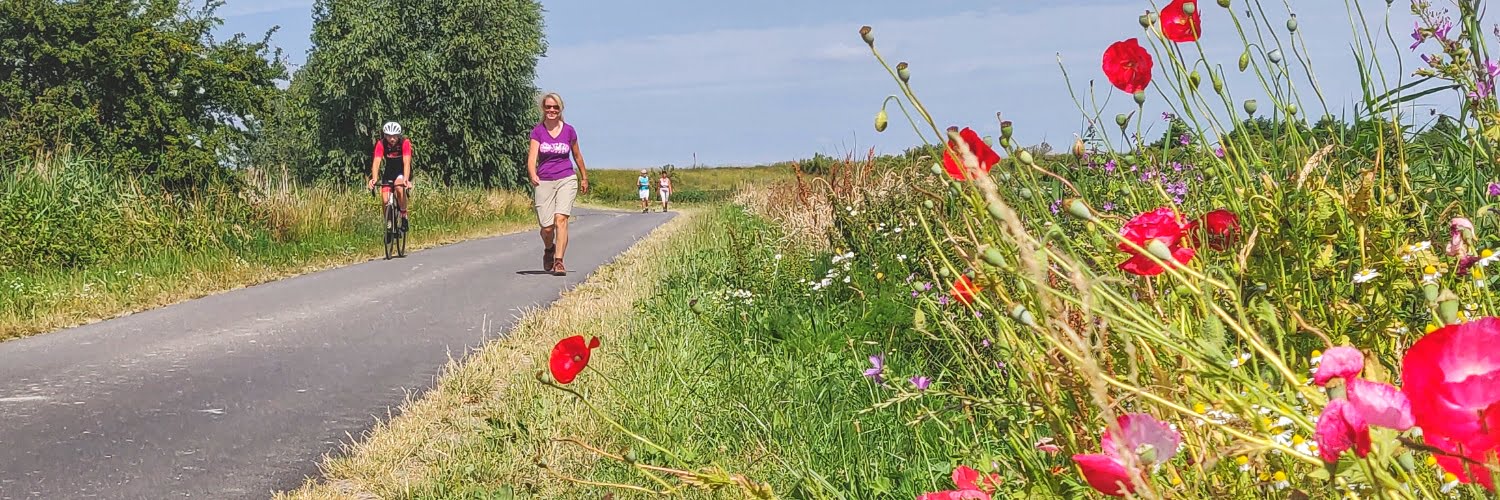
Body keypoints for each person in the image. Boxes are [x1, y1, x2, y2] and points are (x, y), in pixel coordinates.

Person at [527, 92, 589, 275]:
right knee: (547, 227)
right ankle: (549, 249)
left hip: (566, 178)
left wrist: (584, 177)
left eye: (555, 107)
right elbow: (532, 158)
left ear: (560, 109)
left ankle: (559, 261)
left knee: (561, 219)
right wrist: (532, 174)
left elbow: (577, 155)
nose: (551, 110)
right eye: (548, 107)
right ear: (543, 109)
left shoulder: (569, 130)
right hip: (544, 180)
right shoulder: (538, 131)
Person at [367, 121, 413, 231]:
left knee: (398, 186)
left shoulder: (404, 143)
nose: (392, 139)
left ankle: (403, 214)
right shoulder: (381, 144)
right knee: (385, 199)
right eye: (388, 136)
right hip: (389, 172)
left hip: (402, 171)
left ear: (399, 135)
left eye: (394, 136)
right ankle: (388, 222)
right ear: (385, 135)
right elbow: (377, 161)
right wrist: (374, 179)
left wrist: (406, 179)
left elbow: (406, 161)